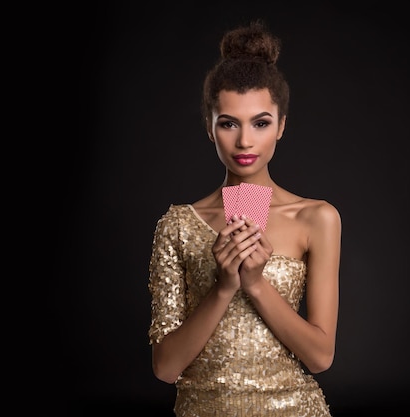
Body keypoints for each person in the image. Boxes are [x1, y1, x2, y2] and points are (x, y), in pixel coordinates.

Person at [147, 20, 342, 416]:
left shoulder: (316, 217)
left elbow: (321, 358)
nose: (245, 142)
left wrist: (255, 285)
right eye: (229, 123)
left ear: (281, 126)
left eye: (261, 123)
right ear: (209, 127)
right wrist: (223, 288)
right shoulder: (179, 225)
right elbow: (166, 368)